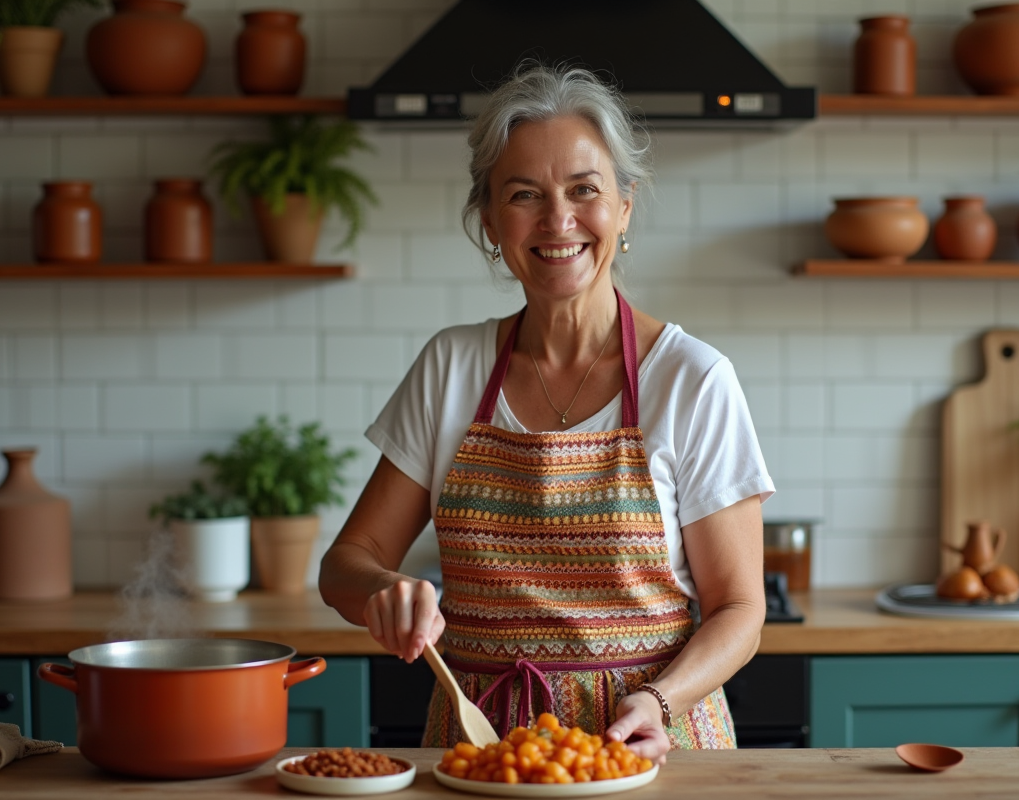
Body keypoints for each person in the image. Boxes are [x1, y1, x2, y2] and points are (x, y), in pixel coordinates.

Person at [319, 63, 773, 763]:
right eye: (524, 194)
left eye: (584, 190)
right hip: (482, 754)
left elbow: (741, 610)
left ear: (624, 206)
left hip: (650, 749)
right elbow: (346, 564)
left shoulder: (692, 378)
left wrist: (661, 699)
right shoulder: (452, 369)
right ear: (490, 221)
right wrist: (383, 589)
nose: (558, 220)